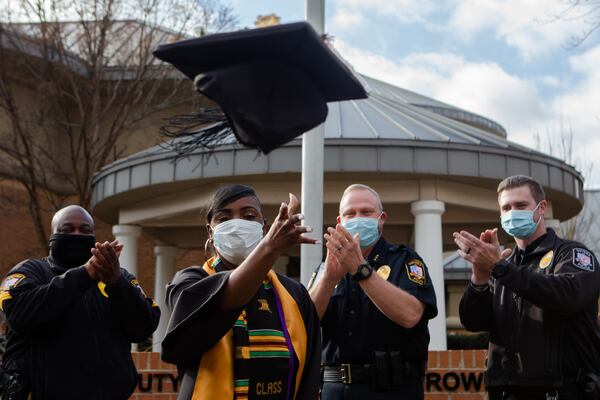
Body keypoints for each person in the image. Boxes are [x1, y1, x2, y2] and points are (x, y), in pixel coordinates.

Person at [161, 184, 321, 400]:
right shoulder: (190, 283)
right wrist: (269, 249)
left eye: (248, 216)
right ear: (210, 230)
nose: (236, 225)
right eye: (224, 219)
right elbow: (224, 299)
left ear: (264, 227)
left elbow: (308, 378)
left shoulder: (294, 294)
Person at [456, 175, 600, 400]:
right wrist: (480, 278)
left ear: (541, 208)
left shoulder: (571, 254)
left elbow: (567, 295)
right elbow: (473, 321)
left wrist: (499, 267)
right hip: (507, 392)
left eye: (521, 205)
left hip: (562, 391)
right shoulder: (504, 264)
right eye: (506, 208)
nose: (512, 213)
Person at [0, 205, 160, 399]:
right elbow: (19, 315)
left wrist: (117, 283)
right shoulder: (29, 272)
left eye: (85, 230)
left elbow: (144, 326)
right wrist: (84, 274)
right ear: (53, 236)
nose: (77, 235)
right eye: (66, 230)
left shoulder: (117, 277)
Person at [308, 184, 438, 400]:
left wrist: (361, 270)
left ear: (382, 218)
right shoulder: (327, 267)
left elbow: (411, 315)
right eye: (350, 213)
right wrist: (329, 280)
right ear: (340, 222)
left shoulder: (404, 259)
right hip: (335, 390)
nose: (358, 218)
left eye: (366, 212)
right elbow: (305, 324)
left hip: (391, 389)